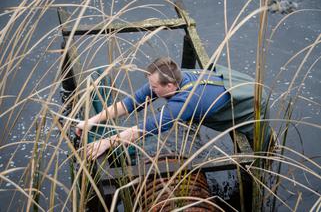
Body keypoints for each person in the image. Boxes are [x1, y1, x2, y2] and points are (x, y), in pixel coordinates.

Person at [76, 57, 271, 160]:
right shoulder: (170, 78)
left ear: (169, 87)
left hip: (248, 101)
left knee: (261, 148)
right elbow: (131, 103)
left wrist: (106, 143)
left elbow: (146, 128)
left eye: (153, 88)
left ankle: (267, 156)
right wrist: (91, 120)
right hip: (222, 85)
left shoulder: (186, 102)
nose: (150, 90)